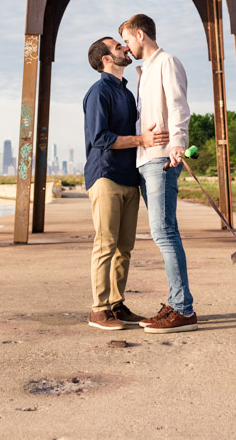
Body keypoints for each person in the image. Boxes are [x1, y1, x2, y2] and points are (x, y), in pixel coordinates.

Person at [118, 14, 197, 333]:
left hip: (161, 158)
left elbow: (179, 105)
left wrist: (178, 143)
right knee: (162, 231)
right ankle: (177, 302)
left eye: (127, 39)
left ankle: (183, 309)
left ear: (140, 34)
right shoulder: (144, 70)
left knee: (165, 231)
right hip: (144, 159)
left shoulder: (167, 62)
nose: (126, 45)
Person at [83, 36, 169, 331]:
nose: (125, 48)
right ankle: (98, 309)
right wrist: (141, 140)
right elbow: (99, 138)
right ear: (106, 59)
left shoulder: (127, 92)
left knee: (125, 248)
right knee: (105, 244)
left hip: (129, 177)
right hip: (105, 175)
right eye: (118, 47)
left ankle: (116, 305)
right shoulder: (98, 92)